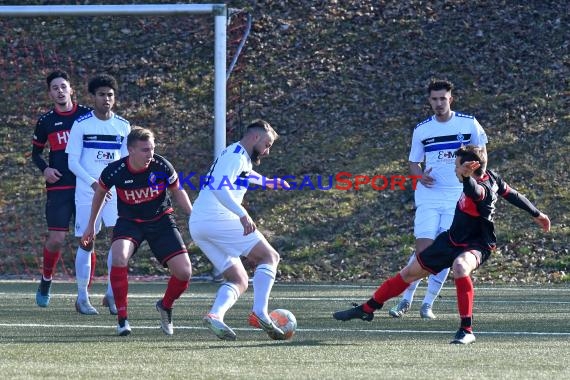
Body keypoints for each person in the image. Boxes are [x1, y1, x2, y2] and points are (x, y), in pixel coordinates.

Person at [333, 145, 551, 344]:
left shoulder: (480, 188)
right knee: (409, 273)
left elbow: (476, 192)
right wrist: (537, 213)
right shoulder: (491, 177)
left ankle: (466, 330)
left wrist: (465, 179)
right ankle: (368, 308)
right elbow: (513, 195)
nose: (454, 169)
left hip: (477, 243)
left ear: (469, 168)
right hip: (451, 239)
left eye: (457, 166)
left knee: (460, 267)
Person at [389, 79, 488, 320]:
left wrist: (478, 180)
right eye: (434, 99)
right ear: (429, 101)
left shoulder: (468, 123)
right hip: (429, 196)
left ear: (450, 99)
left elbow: (483, 153)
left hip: (458, 198)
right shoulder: (422, 129)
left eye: (442, 98)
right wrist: (419, 176)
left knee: (448, 250)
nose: (438, 103)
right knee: (424, 250)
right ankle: (405, 300)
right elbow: (414, 162)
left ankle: (427, 303)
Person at [81, 127, 193, 336]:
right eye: (144, 150)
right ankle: (122, 319)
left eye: (151, 149)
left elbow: (178, 190)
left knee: (184, 272)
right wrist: (90, 225)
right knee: (119, 257)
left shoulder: (161, 166)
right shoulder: (115, 170)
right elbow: (100, 194)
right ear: (130, 150)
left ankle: (165, 306)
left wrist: (193, 216)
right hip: (130, 222)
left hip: (161, 221)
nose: (150, 154)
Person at [190, 119, 290, 341]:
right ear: (255, 137)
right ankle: (260, 312)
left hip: (200, 224)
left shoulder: (238, 155)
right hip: (216, 217)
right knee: (269, 256)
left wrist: (268, 182)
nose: (267, 151)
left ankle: (215, 315)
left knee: (239, 279)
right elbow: (218, 186)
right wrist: (242, 214)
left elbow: (244, 175)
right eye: (267, 144)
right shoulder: (235, 156)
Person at [66, 73, 130, 315]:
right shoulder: (82, 124)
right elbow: (72, 161)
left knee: (118, 240)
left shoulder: (123, 126)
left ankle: (112, 295)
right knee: (87, 240)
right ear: (93, 97)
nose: (106, 99)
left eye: (110, 95)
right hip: (87, 191)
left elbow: (126, 162)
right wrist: (94, 184)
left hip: (114, 193)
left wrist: (118, 185)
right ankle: (82, 297)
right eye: (102, 94)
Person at [32, 70, 92, 308]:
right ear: (50, 93)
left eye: (63, 86)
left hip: (85, 186)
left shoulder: (87, 116)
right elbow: (36, 153)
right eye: (55, 88)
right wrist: (45, 169)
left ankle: (83, 295)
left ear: (71, 89)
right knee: (56, 239)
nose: (59, 91)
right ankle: (46, 279)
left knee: (87, 240)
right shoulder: (46, 121)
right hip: (59, 187)